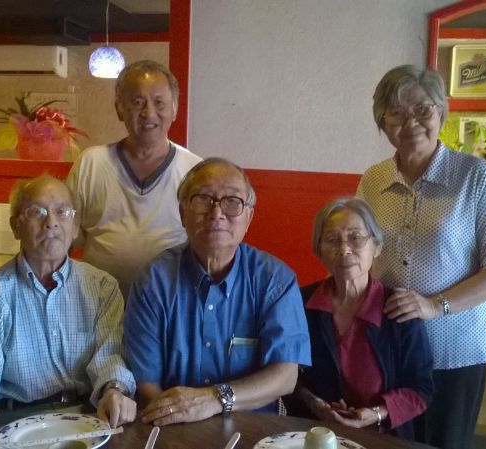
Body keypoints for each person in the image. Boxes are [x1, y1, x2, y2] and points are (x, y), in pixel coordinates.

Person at [357, 65, 486, 449]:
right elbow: (360, 250)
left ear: (441, 113)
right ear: (383, 123)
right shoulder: (373, 180)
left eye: (422, 110)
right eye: (397, 113)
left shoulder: (475, 176)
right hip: (391, 345)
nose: (410, 123)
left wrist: (434, 306)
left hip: (455, 350)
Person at [0, 174, 136, 446]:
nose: (51, 222)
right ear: (16, 226)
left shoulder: (102, 288)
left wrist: (114, 390)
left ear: (75, 226)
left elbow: (110, 356)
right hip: (15, 421)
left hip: (86, 416)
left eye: (63, 212)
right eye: (37, 212)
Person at [123, 157, 311, 426]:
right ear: (182, 213)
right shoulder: (152, 282)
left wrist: (214, 399)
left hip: (253, 431)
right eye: (203, 199)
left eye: (232, 201)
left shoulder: (275, 281)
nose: (217, 213)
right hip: (174, 429)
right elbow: (146, 383)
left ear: (249, 217)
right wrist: (181, 421)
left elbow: (285, 376)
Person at [294, 197, 432, 440]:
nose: (344, 250)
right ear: (319, 251)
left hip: (384, 437)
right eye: (332, 240)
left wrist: (377, 413)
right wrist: (313, 404)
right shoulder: (300, 304)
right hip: (317, 434)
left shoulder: (399, 310)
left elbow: (421, 390)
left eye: (355, 238)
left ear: (376, 247)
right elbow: (286, 373)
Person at [67, 60, 202, 296]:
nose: (149, 113)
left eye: (159, 103)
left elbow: (207, 245)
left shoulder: (195, 171)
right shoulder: (91, 163)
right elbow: (66, 235)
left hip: (167, 304)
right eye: (137, 102)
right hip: (95, 302)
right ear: (119, 108)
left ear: (174, 108)